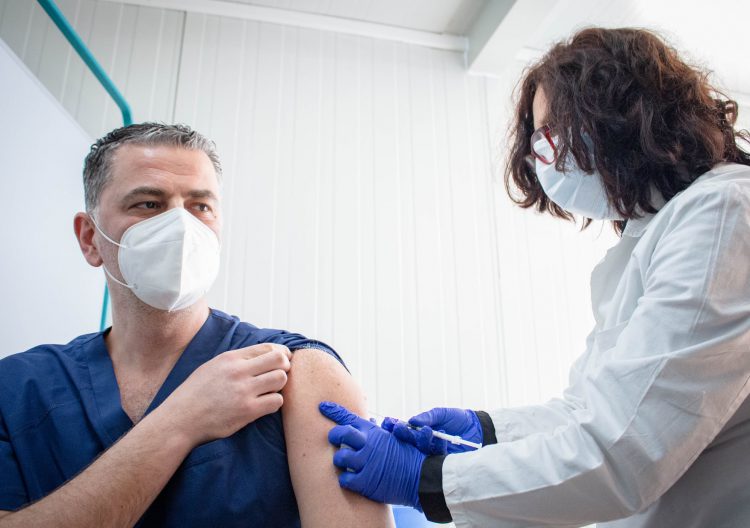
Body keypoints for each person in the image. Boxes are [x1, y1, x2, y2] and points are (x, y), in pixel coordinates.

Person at [319, 27, 750, 527]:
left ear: (620, 111)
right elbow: (586, 410)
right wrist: (486, 431)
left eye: (554, 130)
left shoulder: (724, 212)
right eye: (539, 137)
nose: (543, 153)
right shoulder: (649, 239)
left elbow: (625, 449)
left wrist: (427, 479)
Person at [0, 123, 393, 527]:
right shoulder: (15, 390)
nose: (181, 228)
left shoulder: (298, 372)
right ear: (89, 238)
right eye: (149, 204)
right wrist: (181, 419)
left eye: (200, 206)